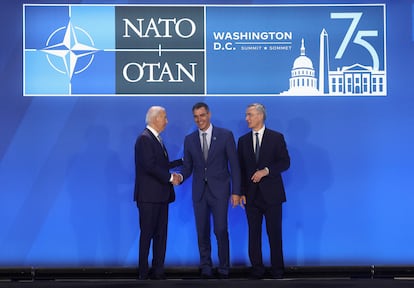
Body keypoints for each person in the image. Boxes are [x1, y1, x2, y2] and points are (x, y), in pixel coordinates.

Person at [177, 102, 241, 279]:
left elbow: (234, 166)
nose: (199, 120)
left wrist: (236, 191)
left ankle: (224, 267)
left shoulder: (225, 135)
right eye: (196, 117)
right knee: (202, 231)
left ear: (209, 115)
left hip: (220, 192)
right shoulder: (189, 139)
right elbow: (188, 167)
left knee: (221, 230)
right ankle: (206, 266)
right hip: (199, 193)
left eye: (202, 115)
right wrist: (180, 177)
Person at [237, 103, 290, 279]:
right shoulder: (243, 141)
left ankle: (277, 270)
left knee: (275, 234)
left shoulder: (276, 138)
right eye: (246, 115)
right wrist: (241, 192)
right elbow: (240, 169)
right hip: (251, 197)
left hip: (273, 196)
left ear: (260, 116)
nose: (247, 118)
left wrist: (266, 171)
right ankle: (257, 270)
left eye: (250, 115)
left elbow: (284, 162)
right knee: (254, 235)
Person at [134, 106, 182, 280]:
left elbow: (159, 165)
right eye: (165, 117)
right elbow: (150, 166)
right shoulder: (144, 139)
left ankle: (158, 271)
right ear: (155, 119)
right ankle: (143, 273)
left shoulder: (156, 139)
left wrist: (182, 161)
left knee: (161, 236)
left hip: (161, 197)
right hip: (148, 198)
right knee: (147, 234)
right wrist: (171, 178)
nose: (167, 121)